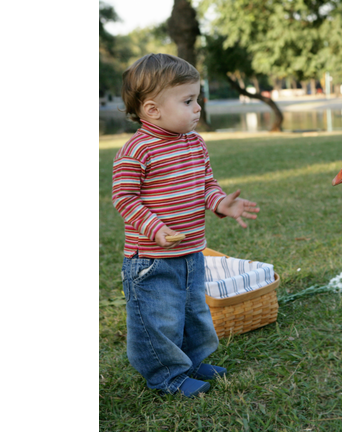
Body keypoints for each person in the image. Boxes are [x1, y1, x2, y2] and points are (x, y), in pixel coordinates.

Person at [112, 53, 260, 397]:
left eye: (197, 99)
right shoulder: (136, 151)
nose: (198, 108)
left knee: (193, 314)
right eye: (188, 101)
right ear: (152, 110)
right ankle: (166, 375)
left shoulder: (195, 143)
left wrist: (222, 203)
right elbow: (125, 199)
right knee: (158, 320)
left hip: (192, 251)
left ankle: (191, 362)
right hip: (151, 259)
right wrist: (156, 228)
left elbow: (206, 184)